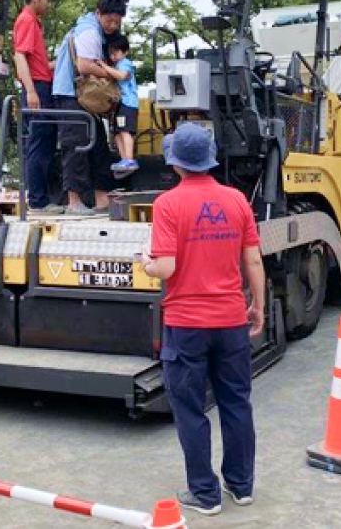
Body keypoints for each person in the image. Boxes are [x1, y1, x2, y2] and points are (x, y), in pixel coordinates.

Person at [141, 123, 265, 516]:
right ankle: (241, 486)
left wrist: (145, 263)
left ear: (175, 162)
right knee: (236, 403)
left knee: (190, 409)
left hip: (187, 324)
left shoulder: (167, 204)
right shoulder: (237, 200)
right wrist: (258, 305)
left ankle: (205, 494)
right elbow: (253, 260)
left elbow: (164, 267)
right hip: (231, 320)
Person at [51, 0, 127, 215]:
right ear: (98, 13)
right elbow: (84, 66)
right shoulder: (89, 32)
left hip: (83, 97)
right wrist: (112, 75)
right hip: (71, 95)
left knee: (98, 146)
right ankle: (73, 201)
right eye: (109, 20)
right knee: (76, 146)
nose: (112, 26)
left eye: (117, 22)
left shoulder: (91, 29)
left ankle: (101, 199)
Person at [13, 0, 62, 215]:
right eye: (47, 0)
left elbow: (36, 62)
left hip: (41, 84)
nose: (49, 5)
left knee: (45, 141)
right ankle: (38, 201)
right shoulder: (26, 20)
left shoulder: (33, 22)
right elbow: (19, 56)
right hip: (37, 88)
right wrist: (31, 90)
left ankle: (41, 198)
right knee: (39, 143)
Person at [99, 35, 139, 175]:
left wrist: (104, 66)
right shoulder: (116, 65)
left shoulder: (125, 63)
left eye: (116, 52)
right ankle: (124, 159)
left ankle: (129, 158)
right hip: (120, 104)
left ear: (125, 52)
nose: (113, 56)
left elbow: (122, 75)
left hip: (128, 103)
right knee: (117, 132)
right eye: (111, 53)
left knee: (125, 131)